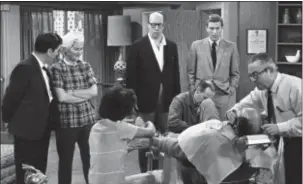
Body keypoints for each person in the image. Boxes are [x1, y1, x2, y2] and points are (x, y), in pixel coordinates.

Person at [225, 53, 302, 184]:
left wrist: (279, 127)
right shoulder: (261, 91)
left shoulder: (295, 86)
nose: (252, 80)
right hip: (281, 140)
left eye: (255, 75)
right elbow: (244, 103)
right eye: (250, 76)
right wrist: (233, 111)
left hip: (298, 142)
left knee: (294, 177)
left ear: (269, 71)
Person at [148, 107, 277, 184]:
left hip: (202, 171)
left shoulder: (213, 131)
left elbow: (179, 147)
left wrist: (157, 141)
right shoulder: (212, 135)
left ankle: (161, 138)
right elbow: (180, 148)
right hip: (200, 170)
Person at [2, 33, 62, 184]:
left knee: (38, 171)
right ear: (49, 51)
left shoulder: (44, 69)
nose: (57, 55)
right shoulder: (24, 67)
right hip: (26, 131)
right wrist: (8, 120)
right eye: (57, 51)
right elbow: (11, 98)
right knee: (26, 172)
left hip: (41, 129)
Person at [125, 11, 181, 172]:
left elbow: (175, 74)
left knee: (164, 139)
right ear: (148, 25)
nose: (156, 28)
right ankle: (146, 174)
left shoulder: (171, 46)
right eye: (153, 24)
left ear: (163, 25)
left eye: (159, 25)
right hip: (144, 101)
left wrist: (176, 100)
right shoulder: (137, 46)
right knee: (145, 140)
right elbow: (130, 78)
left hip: (166, 102)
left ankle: (162, 173)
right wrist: (132, 102)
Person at [49, 31, 97, 184]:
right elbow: (61, 97)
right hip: (66, 124)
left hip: (88, 121)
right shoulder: (56, 68)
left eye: (81, 49)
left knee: (90, 162)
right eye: (76, 49)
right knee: (65, 164)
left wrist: (73, 93)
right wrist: (84, 94)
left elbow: (94, 92)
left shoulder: (86, 66)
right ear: (66, 49)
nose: (79, 52)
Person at [89, 86, 156, 184]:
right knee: (153, 176)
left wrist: (129, 148)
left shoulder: (95, 128)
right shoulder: (121, 127)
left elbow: (108, 152)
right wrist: (148, 122)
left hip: (94, 181)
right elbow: (150, 131)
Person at [187, 14, 240, 120]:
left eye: (217, 28)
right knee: (202, 126)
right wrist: (193, 89)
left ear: (222, 28)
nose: (214, 32)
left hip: (223, 94)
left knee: (222, 126)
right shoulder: (196, 45)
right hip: (202, 93)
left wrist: (231, 89)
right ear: (207, 28)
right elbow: (190, 71)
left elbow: (235, 73)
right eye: (211, 28)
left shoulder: (231, 47)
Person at [167, 79, 219, 184]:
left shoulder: (205, 105)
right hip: (180, 139)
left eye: (209, 99)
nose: (206, 102)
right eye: (204, 98)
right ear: (198, 91)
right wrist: (194, 128)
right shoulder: (179, 100)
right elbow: (172, 123)